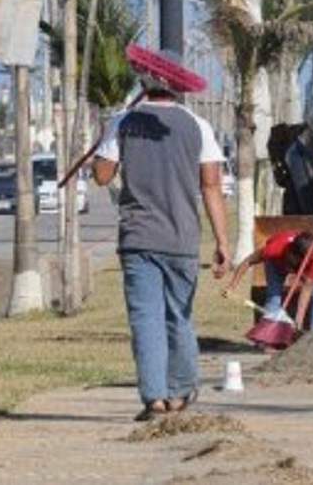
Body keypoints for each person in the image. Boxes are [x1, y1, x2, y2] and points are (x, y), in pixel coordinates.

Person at [92, 70, 229, 422]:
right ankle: (180, 394)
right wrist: (222, 241)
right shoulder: (198, 126)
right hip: (182, 238)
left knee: (145, 319)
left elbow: (102, 177)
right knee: (178, 316)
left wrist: (104, 139)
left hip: (138, 237)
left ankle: (154, 399)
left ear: (143, 85)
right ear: (178, 86)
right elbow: (211, 186)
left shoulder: (123, 122)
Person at [222, 229, 313, 332]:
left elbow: (307, 289)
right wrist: (232, 286)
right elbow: (248, 261)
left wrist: (298, 320)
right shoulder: (274, 249)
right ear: (293, 254)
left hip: (300, 265)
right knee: (274, 298)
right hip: (276, 265)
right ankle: (267, 337)